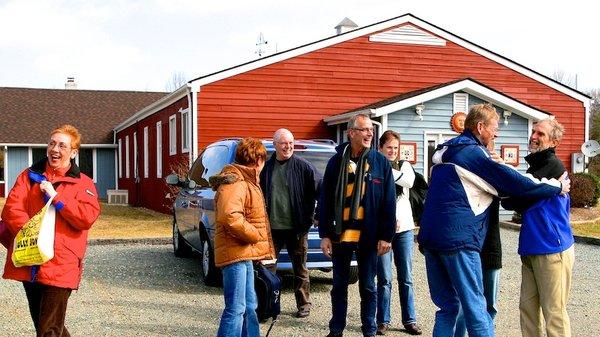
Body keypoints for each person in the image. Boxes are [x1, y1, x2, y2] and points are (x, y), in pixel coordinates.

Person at [417, 103, 570, 337]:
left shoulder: (446, 152)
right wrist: (558, 185)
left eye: (541, 133)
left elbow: (509, 191)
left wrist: (500, 170)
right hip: (459, 240)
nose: (497, 133)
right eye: (494, 127)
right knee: (477, 308)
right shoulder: (472, 153)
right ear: (480, 127)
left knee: (447, 308)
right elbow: (516, 186)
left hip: (431, 239)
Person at [2, 124, 101, 337]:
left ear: (73, 152)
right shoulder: (28, 177)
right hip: (30, 259)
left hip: (61, 264)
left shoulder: (83, 183)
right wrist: (33, 232)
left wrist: (57, 197)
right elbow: (11, 209)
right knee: (46, 326)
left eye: (62, 145)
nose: (55, 149)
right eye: (52, 143)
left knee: (49, 330)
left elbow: (86, 218)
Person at [318, 114, 397, 337]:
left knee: (368, 287)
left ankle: (369, 330)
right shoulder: (336, 161)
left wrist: (386, 236)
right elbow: (325, 199)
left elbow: (388, 201)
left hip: (369, 235)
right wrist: (324, 234)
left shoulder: (379, 161)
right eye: (364, 130)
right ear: (351, 132)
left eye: (371, 130)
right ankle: (336, 330)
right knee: (339, 286)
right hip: (340, 234)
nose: (369, 134)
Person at [502, 118, 574, 337]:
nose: (533, 136)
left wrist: (515, 192)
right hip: (532, 247)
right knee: (528, 311)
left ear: (554, 141)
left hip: (553, 249)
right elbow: (511, 199)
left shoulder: (553, 166)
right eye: (533, 132)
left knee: (554, 314)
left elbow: (516, 200)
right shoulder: (535, 166)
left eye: (540, 134)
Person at [211, 137, 276, 337]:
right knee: (236, 308)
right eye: (263, 159)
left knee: (249, 305)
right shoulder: (235, 181)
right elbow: (229, 216)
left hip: (244, 254)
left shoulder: (245, 181)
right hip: (236, 254)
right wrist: (254, 234)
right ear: (257, 160)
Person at [260, 128, 317, 318]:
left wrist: (313, 217)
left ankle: (304, 305)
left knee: (300, 269)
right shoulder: (266, 169)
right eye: (284, 143)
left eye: (291, 142)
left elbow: (321, 192)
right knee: (268, 270)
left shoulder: (304, 167)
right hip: (271, 230)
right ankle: (268, 306)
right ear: (274, 144)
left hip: (297, 229)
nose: (288, 146)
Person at [374, 130, 422, 336]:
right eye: (388, 148)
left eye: (395, 148)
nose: (393, 151)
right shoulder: (372, 168)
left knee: (407, 277)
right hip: (381, 231)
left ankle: (409, 320)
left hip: (404, 230)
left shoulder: (404, 166)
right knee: (384, 278)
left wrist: (384, 170)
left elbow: (408, 182)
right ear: (380, 148)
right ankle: (382, 320)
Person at [454, 140, 503, 337]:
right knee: (464, 304)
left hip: (490, 247)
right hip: (466, 247)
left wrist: (501, 168)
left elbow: (513, 193)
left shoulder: (497, 174)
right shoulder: (462, 176)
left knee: (489, 304)